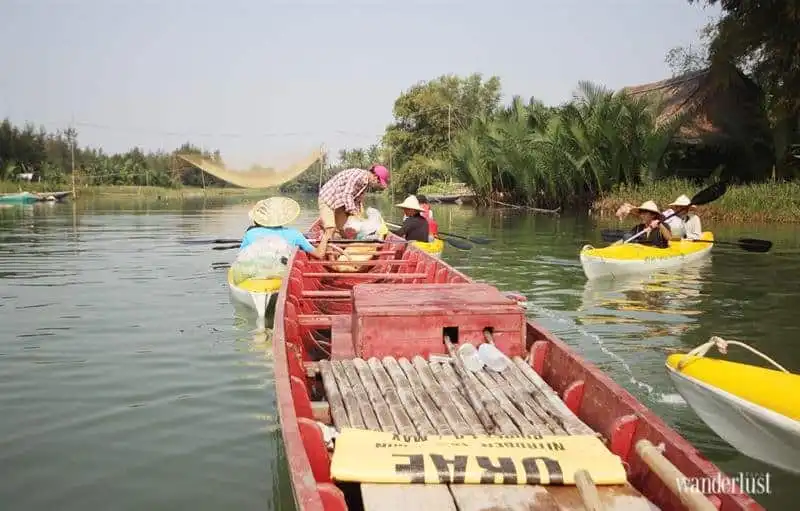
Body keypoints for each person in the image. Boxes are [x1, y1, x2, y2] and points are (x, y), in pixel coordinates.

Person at [240, 196, 331, 259]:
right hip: (280, 274)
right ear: (283, 217)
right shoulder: (294, 234)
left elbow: (240, 257)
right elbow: (319, 254)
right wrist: (326, 237)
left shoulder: (250, 233)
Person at [318, 164, 389, 238]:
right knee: (330, 229)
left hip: (340, 203)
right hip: (328, 198)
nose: (377, 185)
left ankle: (338, 243)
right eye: (378, 182)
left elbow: (357, 200)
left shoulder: (366, 183)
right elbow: (347, 195)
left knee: (343, 230)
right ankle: (324, 242)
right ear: (375, 177)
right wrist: (354, 213)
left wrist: (360, 216)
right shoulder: (358, 175)